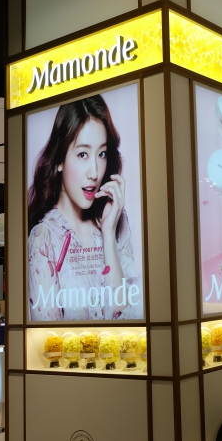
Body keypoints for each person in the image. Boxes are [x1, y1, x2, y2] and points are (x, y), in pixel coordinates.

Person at [27, 94, 141, 321]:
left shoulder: (115, 219)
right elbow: (50, 336)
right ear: (59, 160)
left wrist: (108, 234)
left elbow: (127, 315)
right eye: (82, 154)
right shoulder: (44, 239)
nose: (95, 172)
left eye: (101, 154)